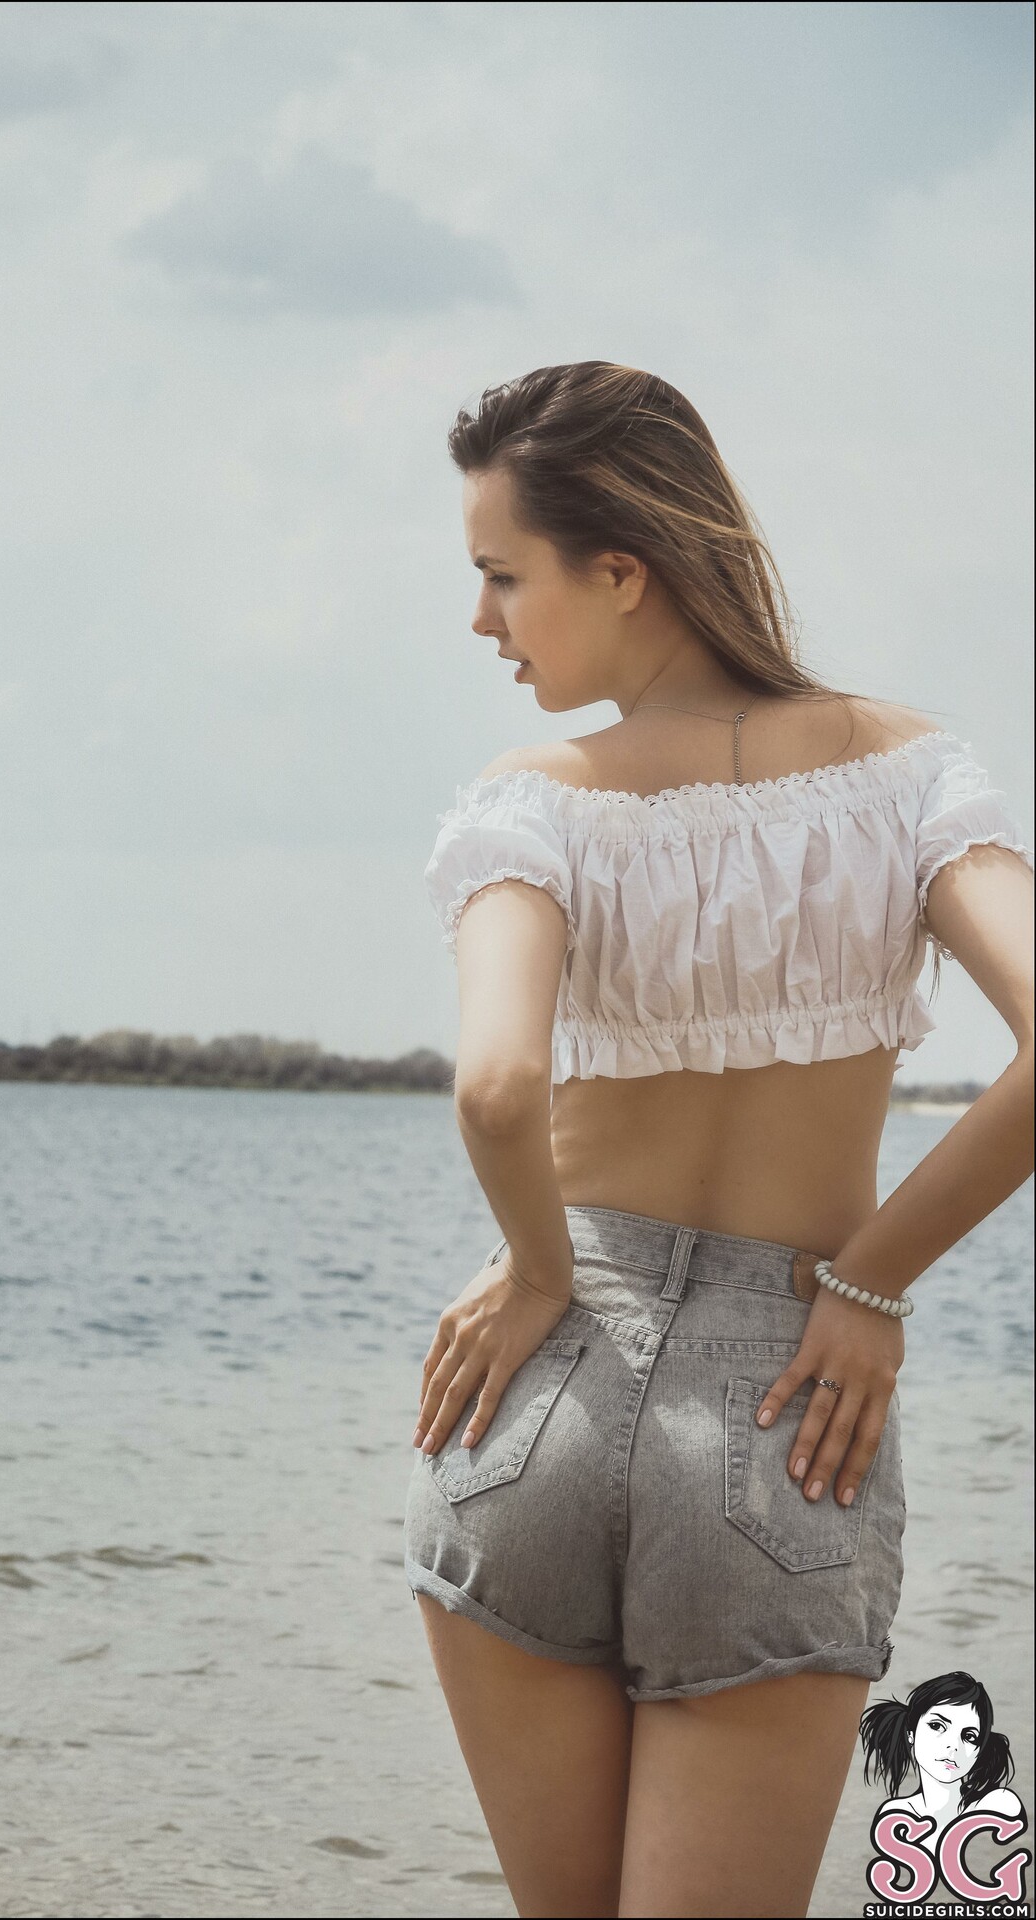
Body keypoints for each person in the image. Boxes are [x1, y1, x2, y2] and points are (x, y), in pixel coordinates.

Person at [402, 362, 1034, 1919]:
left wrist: (538, 1272)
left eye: (503, 575)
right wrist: (870, 1285)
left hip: (537, 1397)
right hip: (786, 1404)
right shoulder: (910, 772)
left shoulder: (533, 803)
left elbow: (497, 1086)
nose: (482, 619)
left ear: (622, 571)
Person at [861, 1670, 1022, 1850]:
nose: (953, 1746)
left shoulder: (998, 1805)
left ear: (979, 1751)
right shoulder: (896, 1815)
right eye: (937, 1726)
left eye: (969, 1736)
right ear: (910, 1733)